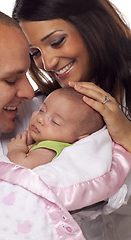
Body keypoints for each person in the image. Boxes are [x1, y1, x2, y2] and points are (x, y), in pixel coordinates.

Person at [12, 0, 131, 239]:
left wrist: (127, 135)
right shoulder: (39, 110)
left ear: (93, 25)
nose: (48, 63)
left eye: (56, 42)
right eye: (34, 53)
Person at [7, 87, 104, 169]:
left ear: (80, 138)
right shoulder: (46, 144)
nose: (40, 119)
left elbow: (22, 166)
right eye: (41, 110)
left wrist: (16, 150)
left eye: (55, 122)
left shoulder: (51, 148)